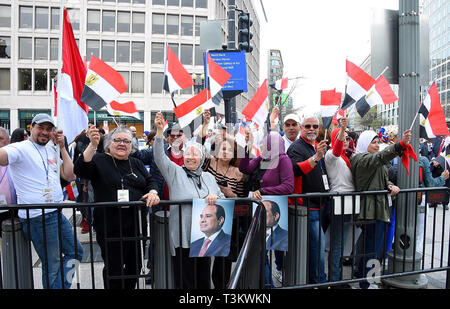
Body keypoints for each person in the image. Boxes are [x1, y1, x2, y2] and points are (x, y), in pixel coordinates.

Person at [0, 114, 83, 289]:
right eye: (40, 128)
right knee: (52, 267)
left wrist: (62, 147)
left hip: (55, 212)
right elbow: (3, 156)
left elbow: (70, 175)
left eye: (48, 129)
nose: (44, 133)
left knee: (76, 252)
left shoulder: (52, 149)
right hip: (38, 217)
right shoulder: (20, 148)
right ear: (31, 127)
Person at [74, 125, 160, 289]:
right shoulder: (99, 159)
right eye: (117, 140)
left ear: (132, 145)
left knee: (135, 267)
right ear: (109, 143)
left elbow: (151, 181)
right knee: (114, 269)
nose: (122, 144)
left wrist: (153, 192)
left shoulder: (136, 163)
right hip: (110, 226)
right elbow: (80, 170)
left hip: (136, 225)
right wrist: (92, 145)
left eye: (126, 141)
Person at [153, 112, 224, 289]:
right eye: (188, 154)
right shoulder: (175, 172)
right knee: (185, 281)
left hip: (204, 236)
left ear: (201, 158)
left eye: (195, 154)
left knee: (203, 280)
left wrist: (216, 198)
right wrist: (160, 132)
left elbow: (221, 199)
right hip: (182, 236)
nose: (191, 157)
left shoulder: (208, 177)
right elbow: (159, 158)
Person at [351, 128, 412, 289]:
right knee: (372, 249)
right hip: (371, 211)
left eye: (378, 142)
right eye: (373, 142)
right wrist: (400, 145)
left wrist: (390, 186)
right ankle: (367, 282)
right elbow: (380, 158)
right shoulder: (360, 159)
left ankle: (367, 279)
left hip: (380, 209)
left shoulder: (371, 159)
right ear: (364, 143)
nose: (377, 145)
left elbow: (382, 179)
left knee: (374, 248)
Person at [239, 130, 294, 287]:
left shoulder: (283, 160)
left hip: (272, 211)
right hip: (258, 210)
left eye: (264, 142)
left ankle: (269, 283)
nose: (261, 144)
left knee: (267, 250)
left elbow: (288, 186)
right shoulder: (262, 158)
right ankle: (267, 284)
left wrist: (263, 191)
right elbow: (245, 169)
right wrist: (246, 147)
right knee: (260, 251)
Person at [286, 114, 329, 284]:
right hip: (308, 206)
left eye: (315, 126)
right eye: (308, 126)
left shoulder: (317, 145)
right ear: (301, 128)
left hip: (322, 204)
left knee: (315, 247)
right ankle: (319, 282)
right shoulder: (296, 148)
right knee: (317, 248)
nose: (312, 129)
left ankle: (315, 279)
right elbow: (295, 170)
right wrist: (316, 157)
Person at [323, 117, 354, 287]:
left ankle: (338, 278)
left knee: (342, 244)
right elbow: (336, 149)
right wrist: (342, 129)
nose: (346, 141)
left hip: (348, 203)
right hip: (338, 202)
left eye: (349, 138)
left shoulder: (347, 156)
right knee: (337, 244)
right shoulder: (331, 155)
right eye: (343, 138)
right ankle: (334, 281)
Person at [0, 127, 17, 236]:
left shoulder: (15, 160)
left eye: (0, 138)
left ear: (8, 141)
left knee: (11, 248)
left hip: (11, 212)